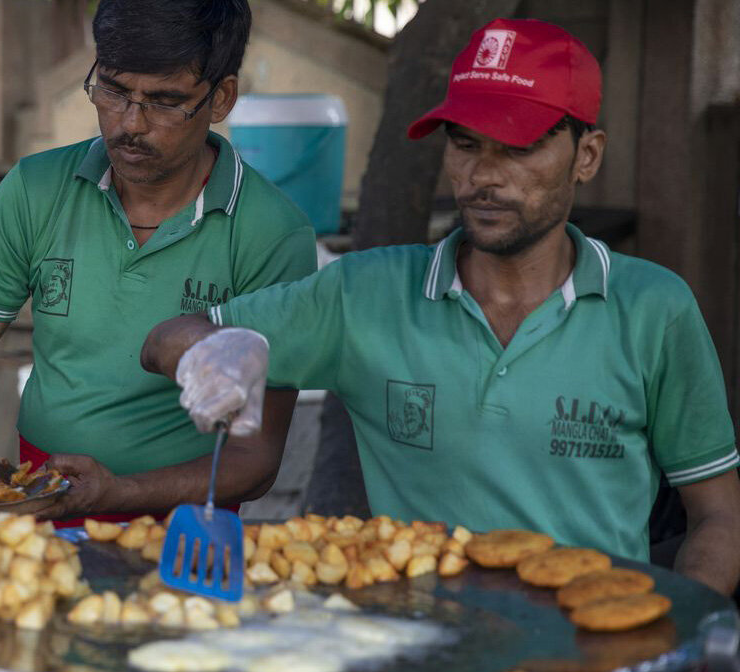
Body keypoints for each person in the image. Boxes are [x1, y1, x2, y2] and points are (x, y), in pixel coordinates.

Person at [140, 18, 740, 595]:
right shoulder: (365, 294)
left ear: (587, 155)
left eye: (519, 147)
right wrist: (213, 353)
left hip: (595, 647)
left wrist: (685, 624)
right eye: (465, 143)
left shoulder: (653, 309)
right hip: (419, 644)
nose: (484, 175)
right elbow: (164, 339)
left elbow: (717, 515)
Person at [0, 0, 316, 524]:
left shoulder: (272, 233)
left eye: (164, 101)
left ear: (222, 96)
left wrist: (120, 492)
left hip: (185, 535)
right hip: (41, 509)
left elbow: (254, 460)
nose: (130, 124)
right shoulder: (34, 191)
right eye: (113, 91)